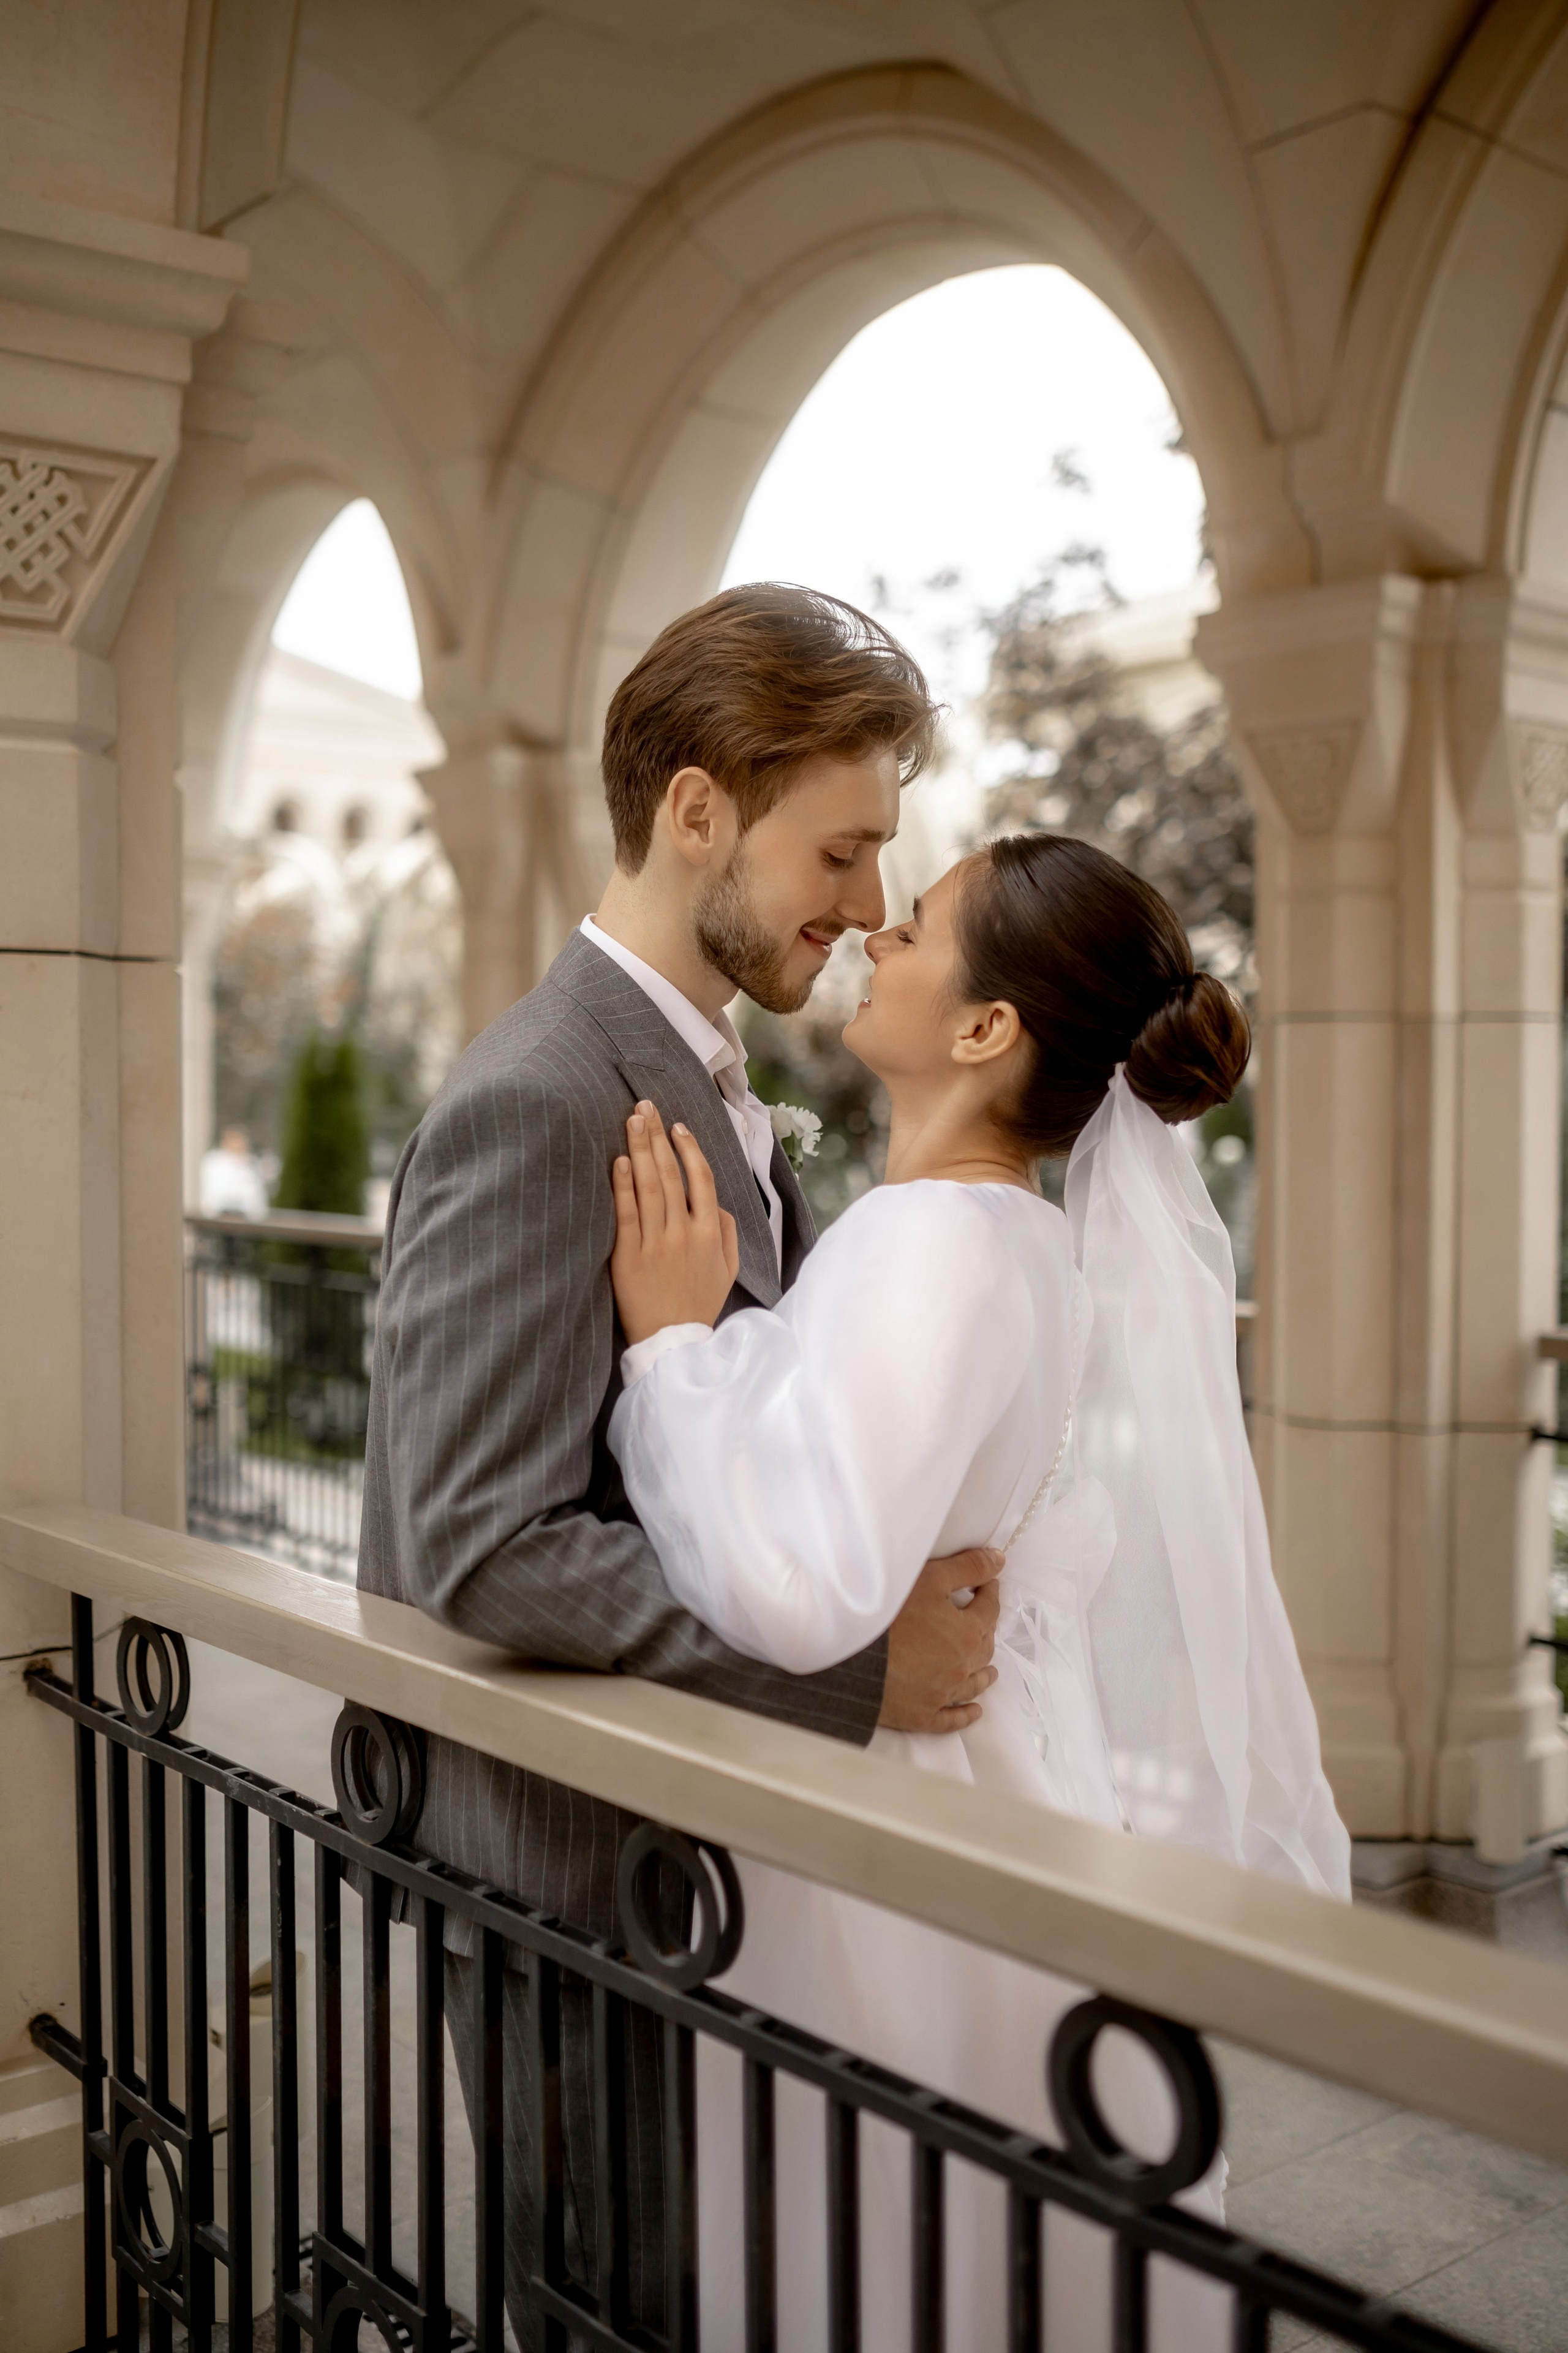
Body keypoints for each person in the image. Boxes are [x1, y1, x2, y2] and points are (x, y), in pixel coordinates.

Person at [357, 585, 1008, 2341]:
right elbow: (480, 1545)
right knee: (614, 2309)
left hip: (688, 1863)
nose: (872, 908)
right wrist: (861, 1667)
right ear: (699, 807)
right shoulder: (542, 1099)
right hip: (570, 1873)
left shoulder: (708, 1078)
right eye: (846, 848)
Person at [606, 833, 1352, 2349]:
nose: (876, 927)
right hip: (994, 1785)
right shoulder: (1015, 1237)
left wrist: (674, 1351)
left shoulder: (928, 1239)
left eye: (920, 921)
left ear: (983, 1029)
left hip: (893, 1830)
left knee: (883, 2234)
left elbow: (804, 1588)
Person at [197, 1124, 269, 1219]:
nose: (237, 1144)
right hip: (217, 1218)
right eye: (234, 1140)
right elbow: (213, 1194)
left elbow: (255, 1198)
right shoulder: (214, 1161)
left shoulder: (251, 1164)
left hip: (246, 1221)